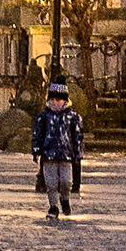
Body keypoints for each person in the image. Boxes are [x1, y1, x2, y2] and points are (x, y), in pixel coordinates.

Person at [33, 90, 85, 221]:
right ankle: (53, 206)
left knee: (66, 181)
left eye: (58, 100)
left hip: (66, 154)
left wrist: (78, 154)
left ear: (65, 101)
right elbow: (37, 134)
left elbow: (77, 136)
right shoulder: (44, 116)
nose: (55, 102)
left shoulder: (72, 117)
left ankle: (64, 198)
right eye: (52, 99)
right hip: (48, 153)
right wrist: (36, 150)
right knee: (51, 183)